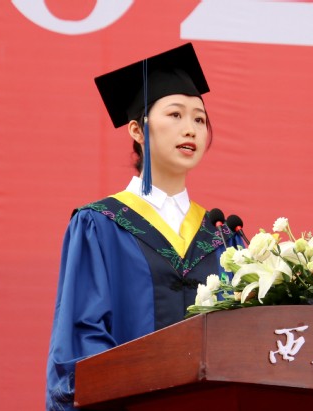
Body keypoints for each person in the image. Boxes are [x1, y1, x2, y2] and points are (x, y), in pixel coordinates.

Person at [45, 43, 242, 411]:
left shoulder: (223, 237)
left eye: (200, 120)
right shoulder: (100, 225)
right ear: (137, 129)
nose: (191, 129)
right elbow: (82, 336)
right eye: (175, 114)